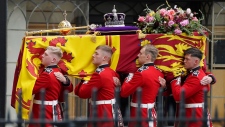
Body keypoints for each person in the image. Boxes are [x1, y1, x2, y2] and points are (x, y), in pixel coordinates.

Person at [74, 45, 124, 127]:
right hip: (110, 109)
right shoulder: (111, 72)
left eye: (96, 54)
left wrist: (85, 78)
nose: (93, 55)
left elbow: (82, 93)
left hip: (102, 111)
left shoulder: (99, 75)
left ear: (104, 58)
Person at [120, 44, 164, 127]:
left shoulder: (141, 73)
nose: (138, 55)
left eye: (140, 53)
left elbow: (124, 92)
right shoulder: (159, 72)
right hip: (151, 111)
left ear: (148, 57)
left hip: (140, 113)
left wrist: (129, 76)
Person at [29, 46, 73, 127]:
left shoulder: (47, 75)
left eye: (45, 55)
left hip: (44, 110)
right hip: (52, 108)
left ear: (53, 60)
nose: (42, 56)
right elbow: (69, 88)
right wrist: (65, 81)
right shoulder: (57, 70)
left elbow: (32, 90)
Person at [170, 47, 213, 127]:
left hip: (195, 115)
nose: (184, 61)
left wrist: (175, 80)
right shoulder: (193, 73)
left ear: (196, 61)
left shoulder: (196, 77)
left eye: (187, 59)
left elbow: (178, 95)